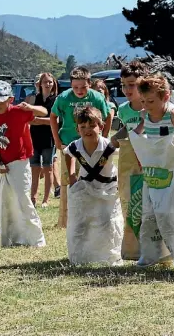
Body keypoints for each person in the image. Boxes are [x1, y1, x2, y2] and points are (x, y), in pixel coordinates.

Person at [129, 74, 174, 271]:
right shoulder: (145, 115)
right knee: (151, 213)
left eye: (151, 101)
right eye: (143, 101)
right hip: (155, 174)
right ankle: (152, 254)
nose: (146, 105)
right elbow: (139, 135)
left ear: (166, 96)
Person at [0, 81, 48, 247]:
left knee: (23, 199)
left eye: (1, 100)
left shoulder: (19, 112)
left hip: (20, 162)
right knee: (6, 201)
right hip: (4, 164)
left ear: (10, 99)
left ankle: (36, 238)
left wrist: (31, 107)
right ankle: (12, 237)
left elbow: (44, 112)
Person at [50, 66, 111, 227]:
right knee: (68, 180)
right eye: (75, 87)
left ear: (89, 84)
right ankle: (65, 219)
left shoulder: (97, 97)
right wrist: (56, 140)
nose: (79, 90)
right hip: (68, 144)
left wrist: (103, 137)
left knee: (91, 178)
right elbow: (53, 116)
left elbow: (108, 114)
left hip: (91, 145)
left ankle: (92, 215)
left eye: (83, 87)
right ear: (70, 85)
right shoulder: (63, 98)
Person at [64, 107, 123, 265]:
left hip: (107, 191)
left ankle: (110, 255)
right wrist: (71, 176)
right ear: (77, 129)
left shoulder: (108, 146)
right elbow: (67, 153)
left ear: (101, 126)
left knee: (108, 222)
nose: (87, 130)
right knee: (81, 222)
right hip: (85, 189)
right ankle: (81, 255)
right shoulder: (75, 146)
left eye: (92, 126)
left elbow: (126, 153)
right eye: (83, 127)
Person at [115, 60, 148, 260]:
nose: (127, 89)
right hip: (130, 165)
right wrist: (112, 140)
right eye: (124, 84)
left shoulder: (152, 105)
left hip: (151, 163)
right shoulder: (124, 110)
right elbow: (126, 129)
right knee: (131, 203)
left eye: (132, 84)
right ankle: (134, 249)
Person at [29, 73, 59, 208]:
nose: (48, 84)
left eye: (50, 82)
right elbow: (29, 117)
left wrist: (38, 120)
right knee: (34, 168)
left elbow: (56, 121)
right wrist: (41, 121)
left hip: (49, 138)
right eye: (45, 82)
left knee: (48, 168)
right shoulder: (35, 99)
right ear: (39, 84)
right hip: (34, 137)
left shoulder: (56, 100)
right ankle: (33, 197)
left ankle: (46, 200)